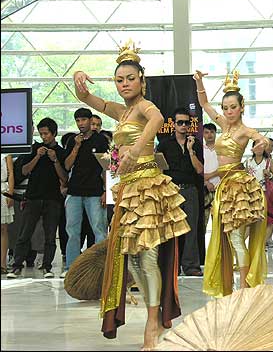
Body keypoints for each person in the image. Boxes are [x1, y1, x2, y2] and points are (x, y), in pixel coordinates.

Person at [73, 40, 191, 349]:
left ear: (142, 80)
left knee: (148, 257)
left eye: (130, 78)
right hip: (128, 189)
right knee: (135, 260)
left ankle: (153, 323)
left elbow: (157, 118)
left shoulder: (143, 107)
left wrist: (137, 148)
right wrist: (79, 83)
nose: (125, 84)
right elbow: (89, 99)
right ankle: (153, 317)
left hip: (148, 187)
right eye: (119, 80)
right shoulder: (122, 112)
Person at [194, 69, 269, 296]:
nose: (228, 112)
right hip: (223, 187)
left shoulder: (245, 130)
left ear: (241, 107)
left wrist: (261, 145)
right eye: (225, 108)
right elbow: (204, 103)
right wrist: (199, 82)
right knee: (228, 239)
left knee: (236, 239)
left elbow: (262, 139)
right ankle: (233, 285)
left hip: (238, 187)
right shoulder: (222, 124)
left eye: (233, 107)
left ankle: (244, 288)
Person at [7, 118, 68, 279]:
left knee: (49, 235)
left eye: (46, 133)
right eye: (41, 134)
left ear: (54, 133)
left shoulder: (61, 152)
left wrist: (54, 160)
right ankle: (16, 266)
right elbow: (24, 171)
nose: (44, 137)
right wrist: (37, 156)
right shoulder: (34, 149)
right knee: (24, 232)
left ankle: (47, 266)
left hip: (53, 198)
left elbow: (64, 178)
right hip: (33, 196)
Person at [157, 107, 204, 277]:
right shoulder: (164, 144)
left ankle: (191, 265)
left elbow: (199, 170)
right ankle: (171, 265)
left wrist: (191, 150)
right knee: (170, 229)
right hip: (171, 190)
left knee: (191, 228)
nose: (183, 125)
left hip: (190, 189)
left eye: (186, 122)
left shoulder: (196, 143)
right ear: (174, 124)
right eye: (180, 122)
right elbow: (159, 170)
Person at [62, 108, 109, 278]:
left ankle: (102, 267)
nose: (81, 123)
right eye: (78, 121)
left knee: (99, 229)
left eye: (83, 120)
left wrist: (106, 191)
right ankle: (72, 268)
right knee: (72, 230)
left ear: (90, 121)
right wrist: (76, 145)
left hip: (95, 191)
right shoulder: (72, 141)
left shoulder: (101, 141)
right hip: (74, 191)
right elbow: (67, 166)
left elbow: (107, 168)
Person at [202, 123, 220, 231]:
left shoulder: (221, 149)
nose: (209, 135)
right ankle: (202, 248)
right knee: (202, 222)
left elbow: (225, 169)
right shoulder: (200, 150)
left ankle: (219, 248)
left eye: (212, 132)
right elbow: (197, 170)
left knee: (218, 225)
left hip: (219, 188)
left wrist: (210, 176)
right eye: (206, 132)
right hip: (204, 189)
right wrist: (206, 182)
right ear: (203, 134)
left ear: (215, 133)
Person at [1, 154, 15, 275]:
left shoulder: (7, 154)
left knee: (3, 229)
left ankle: (2, 264)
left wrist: (10, 194)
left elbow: (11, 174)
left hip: (2, 191)